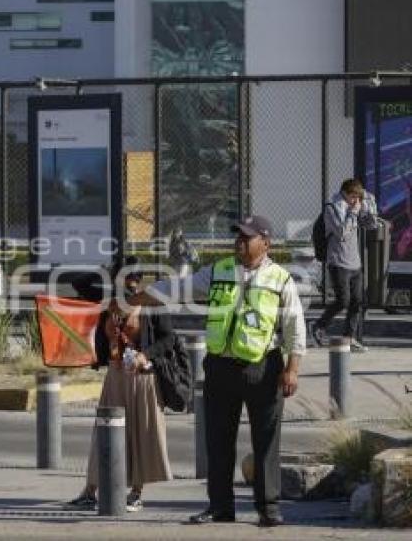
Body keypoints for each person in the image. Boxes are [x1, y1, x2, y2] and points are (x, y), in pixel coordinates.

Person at [127, 215, 306, 527]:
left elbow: (295, 329)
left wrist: (292, 369)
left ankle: (269, 509)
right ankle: (221, 506)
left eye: (246, 237)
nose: (239, 242)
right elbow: (176, 287)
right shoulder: (218, 271)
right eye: (238, 236)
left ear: (265, 243)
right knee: (218, 441)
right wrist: (134, 300)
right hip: (221, 367)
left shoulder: (281, 279)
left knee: (266, 442)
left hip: (263, 368)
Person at [65, 257, 173, 512]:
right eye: (124, 281)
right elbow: (78, 283)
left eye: (133, 281)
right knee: (102, 434)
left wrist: (145, 355)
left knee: (142, 434)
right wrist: (106, 273)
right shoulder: (109, 301)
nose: (130, 288)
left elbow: (168, 339)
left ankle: (136, 492)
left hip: (143, 378)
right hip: (116, 375)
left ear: (139, 281)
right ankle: (90, 490)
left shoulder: (152, 302)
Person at [309, 178, 378, 352]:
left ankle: (350, 337)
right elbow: (341, 233)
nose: (356, 201)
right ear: (345, 194)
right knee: (343, 300)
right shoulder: (332, 207)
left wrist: (370, 210)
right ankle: (318, 326)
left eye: (358, 197)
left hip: (355, 262)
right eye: (353, 197)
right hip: (338, 261)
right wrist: (353, 213)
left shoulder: (355, 205)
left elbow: (370, 225)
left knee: (358, 302)